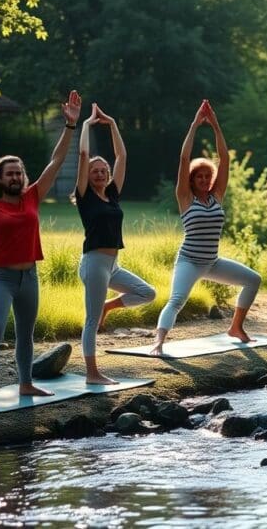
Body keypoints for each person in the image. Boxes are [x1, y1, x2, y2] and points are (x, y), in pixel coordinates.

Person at [0, 91, 81, 408]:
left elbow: (56, 161)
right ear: (0, 178)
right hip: (1, 278)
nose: (15, 176)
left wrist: (69, 126)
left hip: (30, 278)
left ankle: (26, 384)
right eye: (9, 172)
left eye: (18, 172)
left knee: (26, 335)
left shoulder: (32, 196)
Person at [150, 100, 261, 356]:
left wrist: (215, 126)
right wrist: (194, 125)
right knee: (177, 301)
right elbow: (184, 157)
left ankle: (236, 328)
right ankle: (158, 342)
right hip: (188, 261)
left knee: (253, 280)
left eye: (206, 176)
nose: (203, 179)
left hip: (212, 262)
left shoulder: (216, 196)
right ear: (192, 179)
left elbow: (225, 159)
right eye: (198, 176)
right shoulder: (184, 198)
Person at [74, 104, 156, 383]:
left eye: (103, 170)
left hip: (113, 264)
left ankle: (109, 306)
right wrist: (86, 124)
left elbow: (122, 155)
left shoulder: (113, 195)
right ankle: (92, 373)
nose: (99, 173)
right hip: (94, 263)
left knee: (147, 293)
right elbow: (84, 154)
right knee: (90, 320)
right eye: (94, 171)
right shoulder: (85, 196)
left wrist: (112, 124)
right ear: (88, 175)